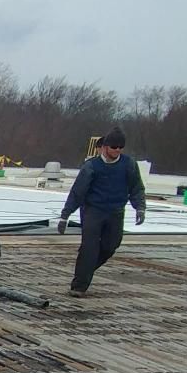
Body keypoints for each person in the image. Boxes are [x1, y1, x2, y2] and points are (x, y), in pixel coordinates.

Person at [57, 126, 145, 297]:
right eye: (114, 147)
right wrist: (65, 215)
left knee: (111, 245)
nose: (117, 150)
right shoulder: (92, 167)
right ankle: (79, 286)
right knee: (89, 248)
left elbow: (136, 187)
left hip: (116, 211)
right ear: (105, 146)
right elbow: (78, 191)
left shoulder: (128, 165)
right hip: (93, 211)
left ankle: (86, 270)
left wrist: (140, 207)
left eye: (120, 147)